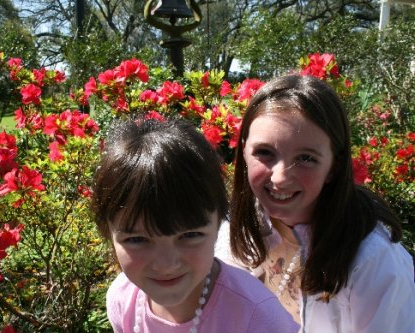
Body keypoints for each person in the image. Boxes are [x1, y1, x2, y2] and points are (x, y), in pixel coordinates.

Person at [215, 74, 415, 333]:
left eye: (306, 158)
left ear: (334, 166)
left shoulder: (373, 260)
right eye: (264, 152)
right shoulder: (235, 231)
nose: (280, 178)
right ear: (243, 150)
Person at [91, 118, 299, 333]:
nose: (166, 265)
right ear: (108, 232)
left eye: (189, 235)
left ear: (219, 223)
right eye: (137, 240)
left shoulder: (257, 317)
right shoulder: (123, 300)